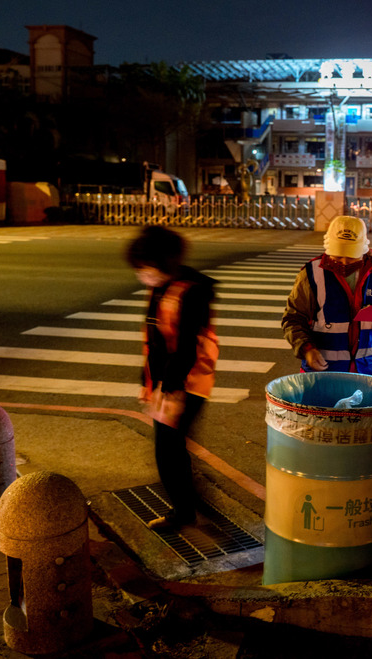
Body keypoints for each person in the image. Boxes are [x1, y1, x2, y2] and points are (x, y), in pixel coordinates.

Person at [126, 226, 219, 531]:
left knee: (167, 450)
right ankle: (190, 503)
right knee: (172, 446)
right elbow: (154, 340)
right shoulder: (162, 287)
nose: (142, 276)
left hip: (188, 383)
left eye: (145, 269)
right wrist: (148, 382)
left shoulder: (190, 292)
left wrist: (171, 390)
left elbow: (186, 347)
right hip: (170, 382)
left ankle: (184, 511)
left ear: (163, 264)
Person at [282, 215, 372, 375]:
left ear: (363, 249)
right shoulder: (311, 274)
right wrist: (307, 348)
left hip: (368, 369)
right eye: (338, 256)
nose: (345, 262)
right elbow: (293, 318)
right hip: (323, 372)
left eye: (351, 256)